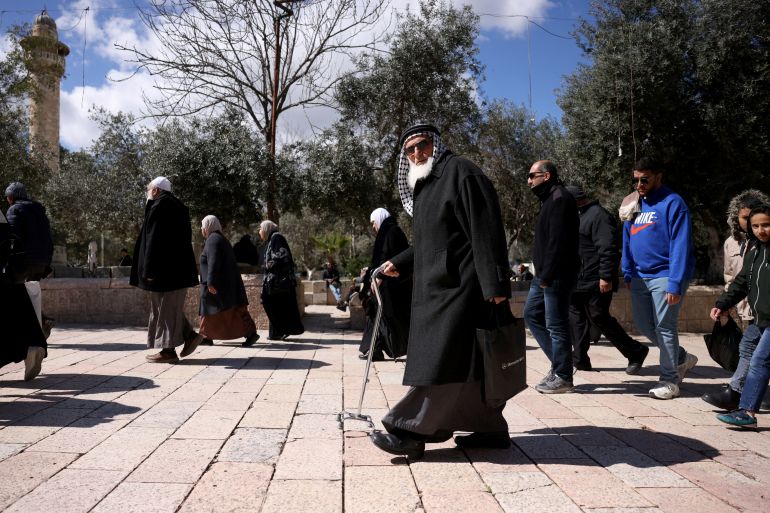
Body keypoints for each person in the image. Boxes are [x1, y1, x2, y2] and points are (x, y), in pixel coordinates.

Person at [369, 123, 513, 460]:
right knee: (466, 362)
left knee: (442, 360)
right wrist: (400, 262)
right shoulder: (424, 185)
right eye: (410, 150)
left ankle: (409, 429)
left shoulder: (461, 172)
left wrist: (495, 284)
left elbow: (486, 228)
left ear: (436, 144)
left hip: (461, 287)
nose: (417, 154)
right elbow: (430, 242)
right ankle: (489, 427)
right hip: (435, 288)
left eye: (422, 146)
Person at [622, 158, 697, 400]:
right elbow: (627, 238)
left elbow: (681, 244)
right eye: (635, 180)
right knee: (645, 326)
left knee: (665, 328)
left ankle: (669, 380)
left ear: (658, 176)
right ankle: (681, 357)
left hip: (666, 274)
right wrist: (627, 270)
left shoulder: (673, 203)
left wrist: (675, 282)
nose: (639, 184)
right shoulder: (634, 203)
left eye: (645, 179)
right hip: (640, 277)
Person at [565, 185, 649, 374]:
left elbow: (608, 249)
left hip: (596, 279)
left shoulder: (599, 216)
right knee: (576, 318)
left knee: (599, 316)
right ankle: (580, 360)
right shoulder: (576, 217)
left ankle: (636, 351)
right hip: (577, 280)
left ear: (576, 201)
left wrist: (605, 276)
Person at [702, 189, 769, 410]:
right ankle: (736, 395)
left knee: (759, 360)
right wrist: (723, 303)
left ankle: (747, 408)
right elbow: (738, 281)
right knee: (749, 350)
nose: (760, 230)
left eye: (765, 224)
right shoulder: (755, 251)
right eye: (755, 225)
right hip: (757, 314)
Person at [130, 176, 203, 363]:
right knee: (169, 308)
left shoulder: (159, 207)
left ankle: (168, 351)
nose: (148, 192)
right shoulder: (178, 207)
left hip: (163, 272)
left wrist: (148, 271)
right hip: (178, 271)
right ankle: (189, 336)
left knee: (164, 309)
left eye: (149, 189)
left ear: (156, 190)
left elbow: (154, 242)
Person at [523, 161, 580, 394]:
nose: (528, 181)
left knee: (556, 324)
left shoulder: (559, 199)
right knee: (531, 314)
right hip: (546, 274)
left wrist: (546, 275)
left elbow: (558, 242)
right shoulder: (550, 199)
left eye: (531, 176)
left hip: (556, 274)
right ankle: (560, 366)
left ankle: (563, 376)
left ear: (546, 176)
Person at [358, 207, 412, 361]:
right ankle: (373, 348)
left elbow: (388, 255)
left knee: (383, 316)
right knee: (377, 314)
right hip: (387, 283)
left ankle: (374, 349)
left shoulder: (391, 232)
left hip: (390, 285)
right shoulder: (389, 232)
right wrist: (371, 271)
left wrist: (379, 276)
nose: (374, 227)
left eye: (374, 223)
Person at [198, 215, 259, 347]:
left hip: (215, 285)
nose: (201, 229)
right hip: (222, 284)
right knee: (210, 312)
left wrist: (210, 281)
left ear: (208, 226)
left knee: (233, 311)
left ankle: (250, 333)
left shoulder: (213, 239)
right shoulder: (219, 238)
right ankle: (206, 336)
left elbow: (213, 261)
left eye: (202, 226)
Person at [0, 208, 47, 381]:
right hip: (11, 270)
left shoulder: (16, 210)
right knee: (15, 306)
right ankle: (32, 345)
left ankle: (29, 348)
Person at [5, 181, 54, 339]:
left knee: (12, 293)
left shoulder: (14, 210)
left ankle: (25, 329)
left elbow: (11, 236)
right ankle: (41, 322)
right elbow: (49, 241)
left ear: (11, 197)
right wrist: (47, 263)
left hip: (22, 261)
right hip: (40, 263)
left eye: (7, 197)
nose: (7, 200)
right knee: (28, 295)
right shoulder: (40, 213)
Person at [258, 220, 304, 340]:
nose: (259, 231)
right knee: (275, 304)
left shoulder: (277, 238)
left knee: (274, 303)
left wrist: (268, 265)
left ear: (266, 228)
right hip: (274, 280)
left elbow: (283, 256)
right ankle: (277, 332)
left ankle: (282, 330)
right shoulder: (272, 239)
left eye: (260, 228)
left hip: (278, 280)